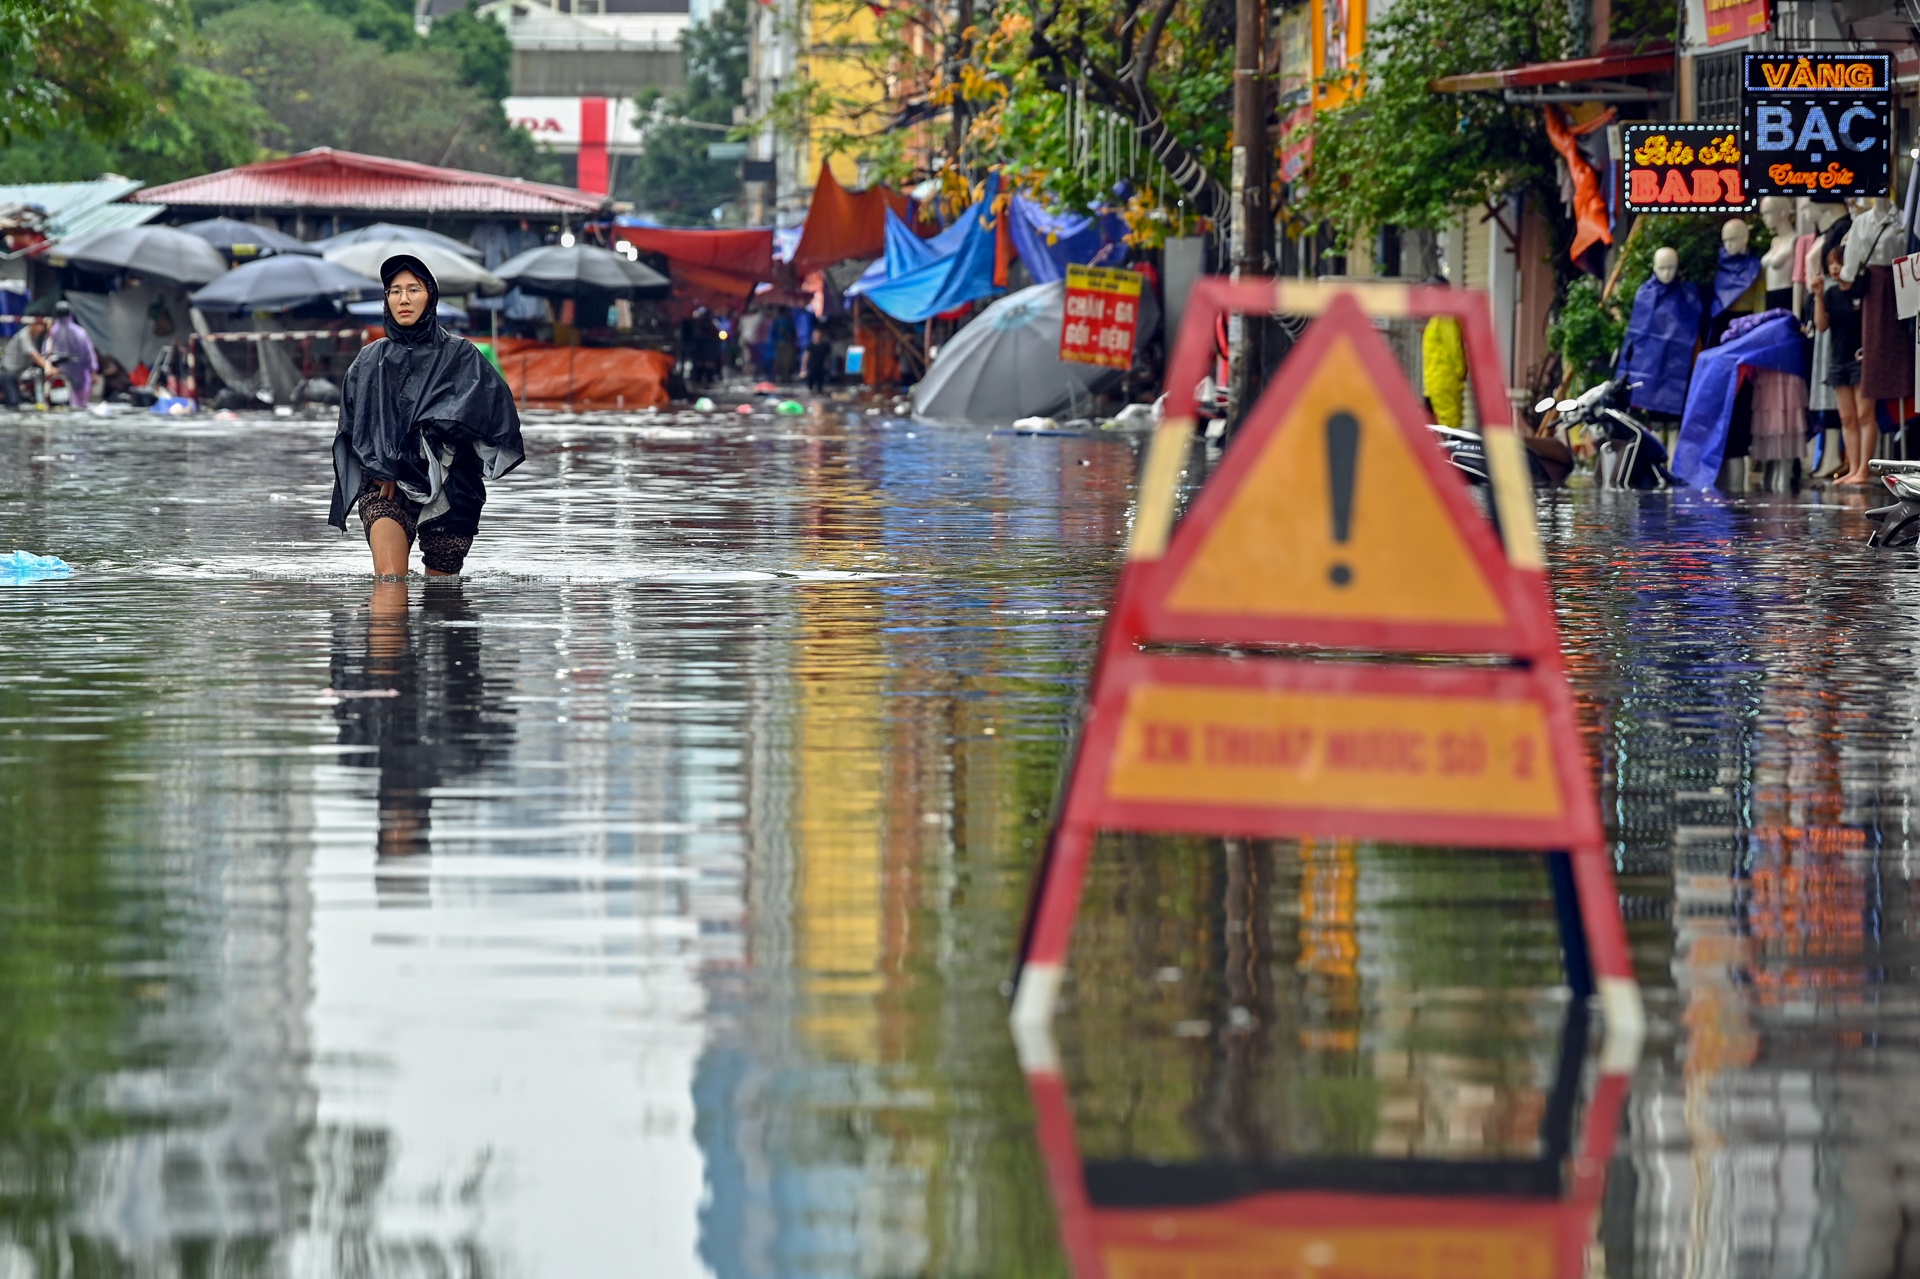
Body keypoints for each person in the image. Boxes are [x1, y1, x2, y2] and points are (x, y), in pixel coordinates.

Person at [327, 255, 525, 577]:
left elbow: (492, 418)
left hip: (452, 490)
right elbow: (354, 428)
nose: (403, 299)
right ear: (386, 298)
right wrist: (382, 466)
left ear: (430, 295)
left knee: (443, 603)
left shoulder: (462, 356)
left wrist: (434, 438)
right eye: (394, 291)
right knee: (389, 586)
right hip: (385, 487)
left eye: (413, 289)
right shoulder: (369, 361)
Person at [1814, 241, 1869, 485]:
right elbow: (1821, 325)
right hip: (1839, 359)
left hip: (1861, 357)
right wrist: (1817, 296)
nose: (1835, 268)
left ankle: (1864, 470)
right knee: (1847, 417)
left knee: (1864, 415)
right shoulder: (1830, 293)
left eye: (1839, 263)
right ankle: (1853, 466)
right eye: (1831, 264)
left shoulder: (1861, 289)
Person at [45, 302, 97, 409]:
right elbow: (89, 353)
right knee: (80, 404)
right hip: (79, 373)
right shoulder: (80, 332)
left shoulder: (52, 332)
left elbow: (46, 352)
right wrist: (93, 370)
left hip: (59, 371)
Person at [0, 316, 55, 408]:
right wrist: (49, 368)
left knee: (18, 400)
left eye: (42, 326)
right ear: (32, 324)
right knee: (13, 402)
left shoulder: (34, 337)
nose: (40, 329)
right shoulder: (24, 336)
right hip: (7, 373)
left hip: (17, 374)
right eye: (38, 325)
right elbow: (34, 355)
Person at [805, 322, 832, 393]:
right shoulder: (811, 345)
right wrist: (804, 367)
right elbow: (806, 356)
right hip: (812, 366)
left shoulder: (825, 346)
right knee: (810, 383)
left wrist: (828, 364)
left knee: (820, 383)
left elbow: (828, 356)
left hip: (821, 367)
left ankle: (819, 391)